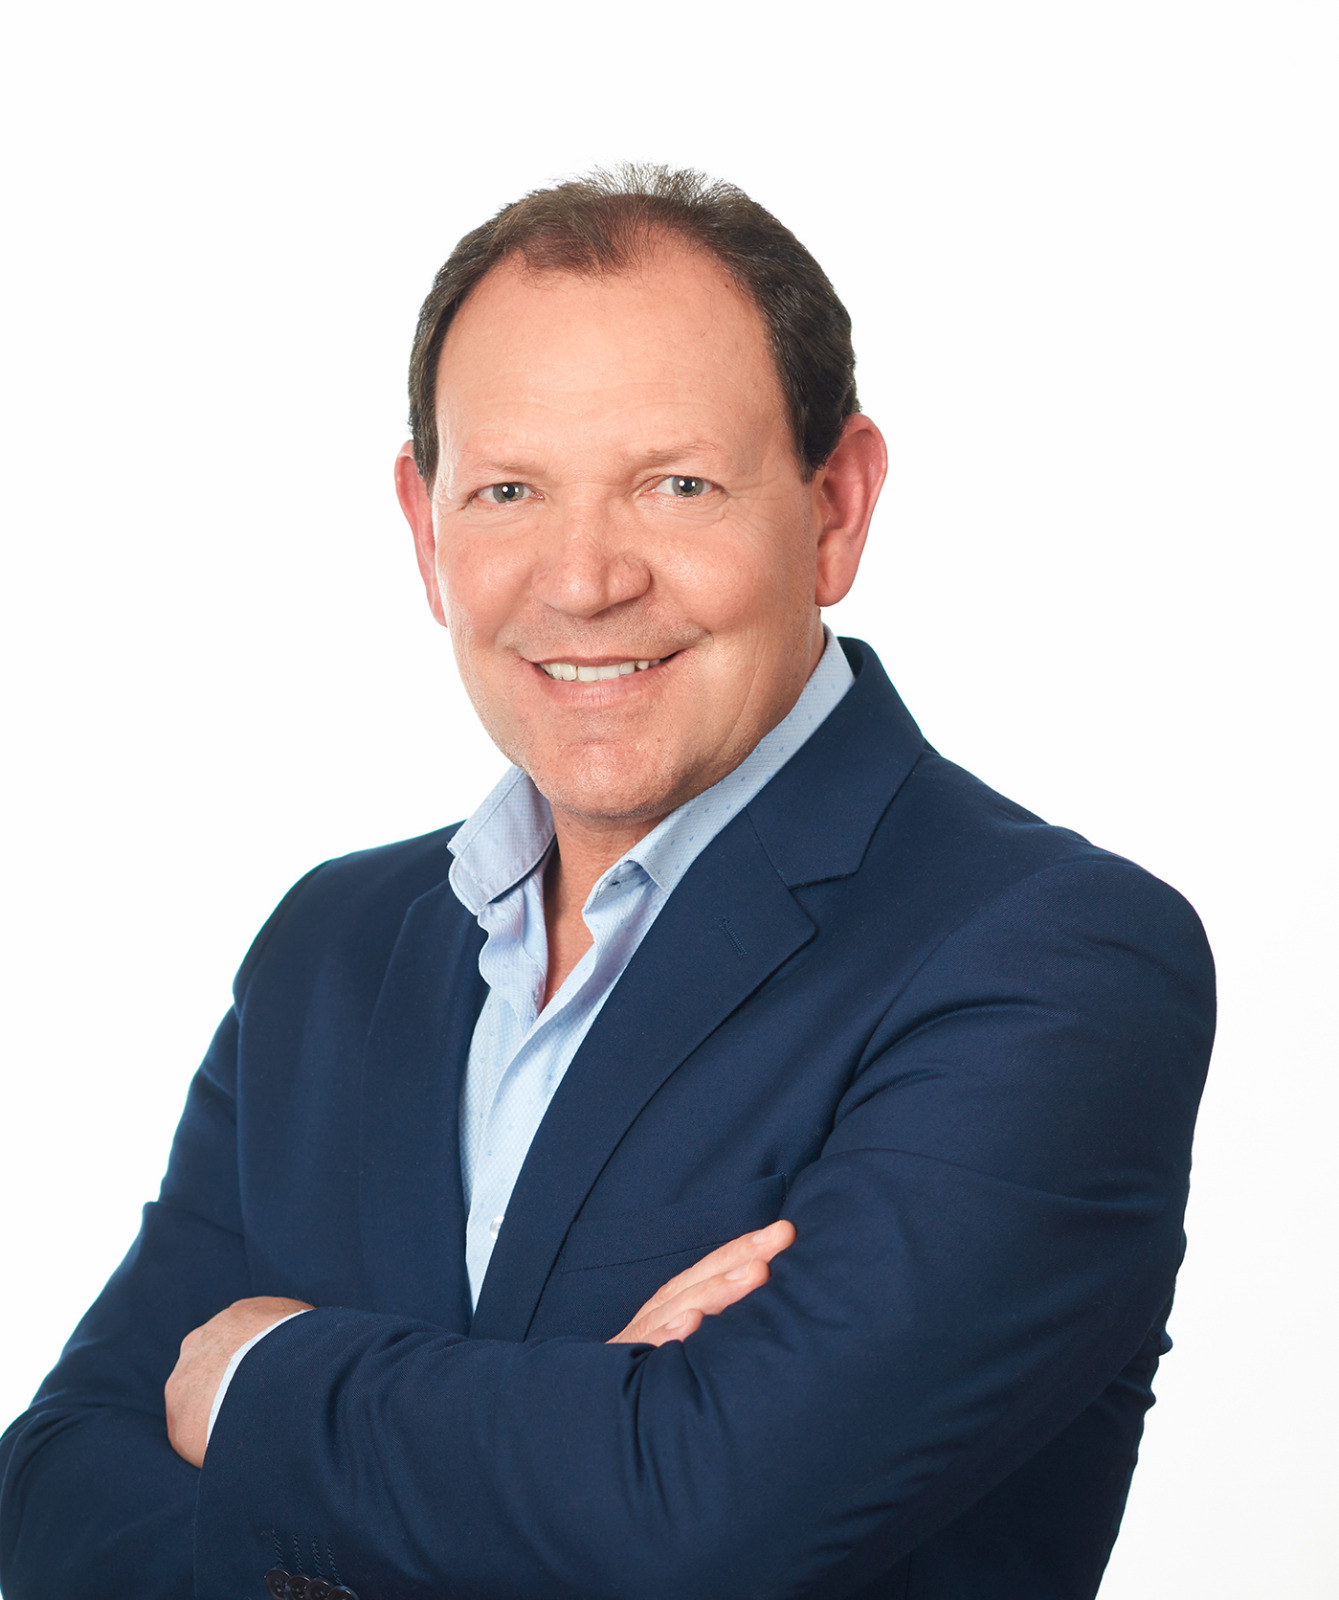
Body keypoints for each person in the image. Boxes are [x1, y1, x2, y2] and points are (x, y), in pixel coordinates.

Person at [0, 166, 1215, 1600]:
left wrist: (260, 1377)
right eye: (508, 491)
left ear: (836, 506)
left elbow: (702, 1522)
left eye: (676, 485)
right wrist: (582, 1442)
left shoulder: (1054, 960)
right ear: (425, 528)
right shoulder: (332, 949)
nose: (581, 581)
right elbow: (54, 1497)